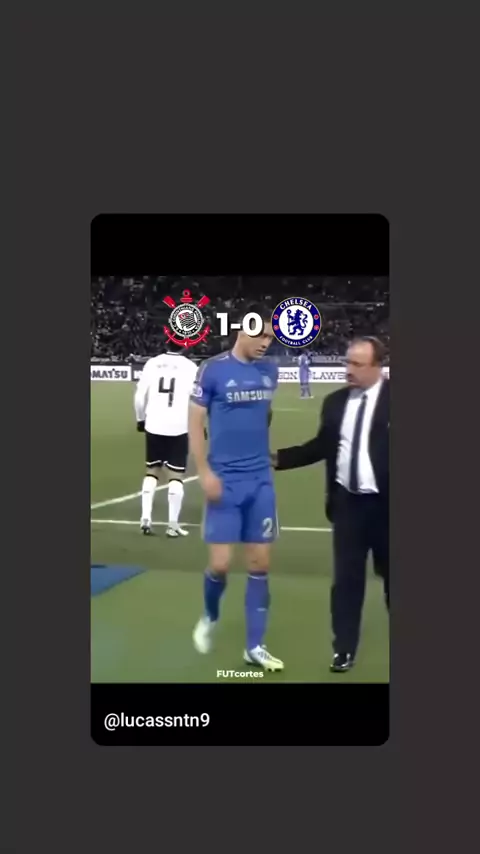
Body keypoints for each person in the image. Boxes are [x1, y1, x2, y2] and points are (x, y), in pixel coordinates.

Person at [272, 336, 389, 673]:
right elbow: (321, 446)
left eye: (357, 364)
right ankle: (344, 649)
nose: (348, 370)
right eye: (346, 362)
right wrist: (278, 459)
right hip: (348, 506)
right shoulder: (335, 402)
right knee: (346, 582)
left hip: (388, 509)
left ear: (377, 367)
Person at [189, 304, 283, 672]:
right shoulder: (212, 370)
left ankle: (255, 646)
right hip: (224, 480)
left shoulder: (270, 371)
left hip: (260, 481)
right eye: (260, 335)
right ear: (242, 331)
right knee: (221, 564)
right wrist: (204, 472)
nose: (266, 343)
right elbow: (195, 424)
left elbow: (266, 414)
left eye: (270, 338)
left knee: (260, 564)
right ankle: (210, 615)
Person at [134, 344, 198, 537]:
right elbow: (197, 399)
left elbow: (139, 397)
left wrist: (140, 419)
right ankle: (172, 525)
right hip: (179, 426)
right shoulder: (190, 367)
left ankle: (145, 518)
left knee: (152, 471)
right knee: (176, 476)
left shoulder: (152, 363)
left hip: (153, 424)